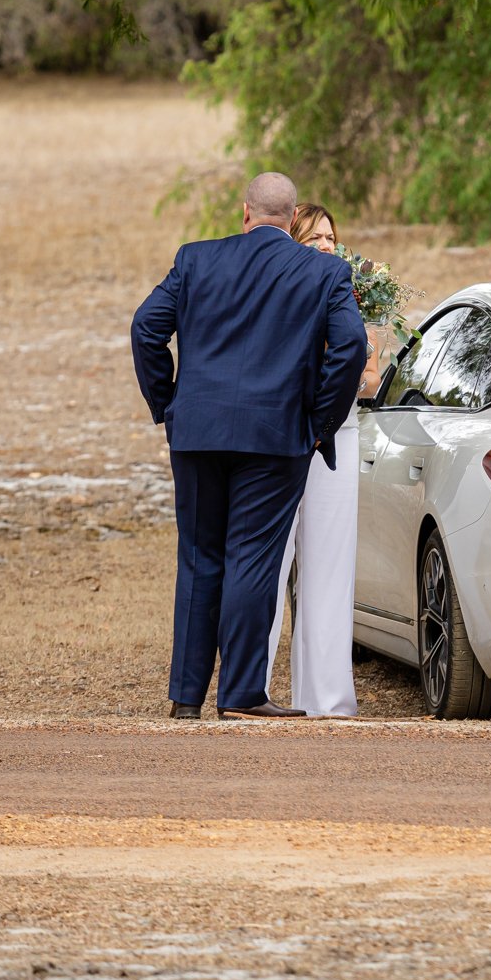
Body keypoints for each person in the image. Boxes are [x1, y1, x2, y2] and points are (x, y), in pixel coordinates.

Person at [130, 173, 368, 721]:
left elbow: (146, 327)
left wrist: (167, 403)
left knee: (198, 558)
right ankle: (238, 694)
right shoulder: (326, 271)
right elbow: (351, 346)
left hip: (197, 433)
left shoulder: (195, 259)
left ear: (245, 213)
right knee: (253, 560)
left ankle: (186, 697)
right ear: (290, 220)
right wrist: (320, 420)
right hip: (277, 435)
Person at [260, 203, 387, 717]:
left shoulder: (358, 295)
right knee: (270, 563)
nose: (327, 246)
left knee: (331, 565)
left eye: (331, 237)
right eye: (314, 238)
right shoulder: (275, 293)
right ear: (291, 242)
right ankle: (252, 690)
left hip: (341, 434)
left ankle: (326, 700)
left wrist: (344, 377)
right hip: (282, 436)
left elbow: (372, 378)